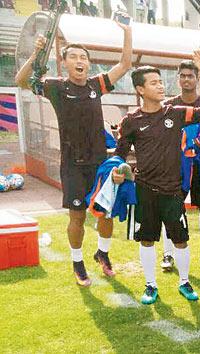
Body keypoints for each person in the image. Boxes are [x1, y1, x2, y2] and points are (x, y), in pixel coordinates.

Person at [15, 20, 132, 286]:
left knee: (106, 213)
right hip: (72, 165)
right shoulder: (56, 87)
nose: (80, 61)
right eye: (74, 57)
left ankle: (102, 253)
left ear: (88, 64)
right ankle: (78, 262)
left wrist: (127, 32)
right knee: (77, 217)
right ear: (64, 63)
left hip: (100, 164)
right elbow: (21, 81)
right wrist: (36, 55)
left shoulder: (96, 85)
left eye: (84, 58)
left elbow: (124, 65)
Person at [116, 66, 200, 305]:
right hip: (144, 191)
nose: (160, 86)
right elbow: (119, 155)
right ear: (140, 89)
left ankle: (184, 281)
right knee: (147, 240)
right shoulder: (131, 121)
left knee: (180, 239)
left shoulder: (176, 113)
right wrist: (118, 171)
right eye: (153, 83)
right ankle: (150, 285)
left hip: (172, 190)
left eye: (161, 82)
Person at [159, 60, 200, 268]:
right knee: (171, 207)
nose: (186, 79)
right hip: (176, 164)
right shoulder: (168, 106)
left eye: (190, 76)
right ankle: (168, 253)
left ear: (196, 79)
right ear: (178, 78)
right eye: (182, 75)